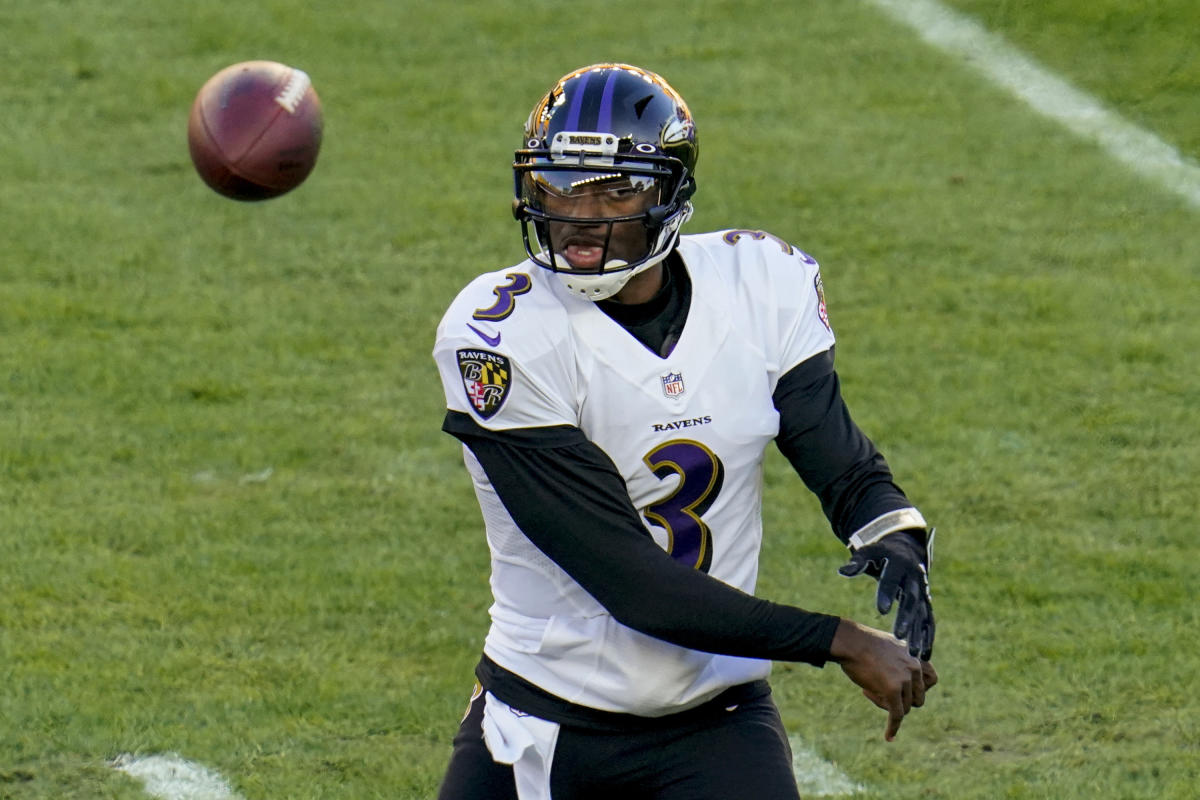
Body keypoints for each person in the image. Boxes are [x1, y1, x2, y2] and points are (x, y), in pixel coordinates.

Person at [431, 63, 938, 800]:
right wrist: (840, 640)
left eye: (615, 189)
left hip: (715, 724)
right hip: (541, 728)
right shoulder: (500, 338)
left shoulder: (761, 284)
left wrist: (890, 531)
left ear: (670, 193)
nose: (579, 215)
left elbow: (841, 461)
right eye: (560, 186)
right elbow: (636, 587)